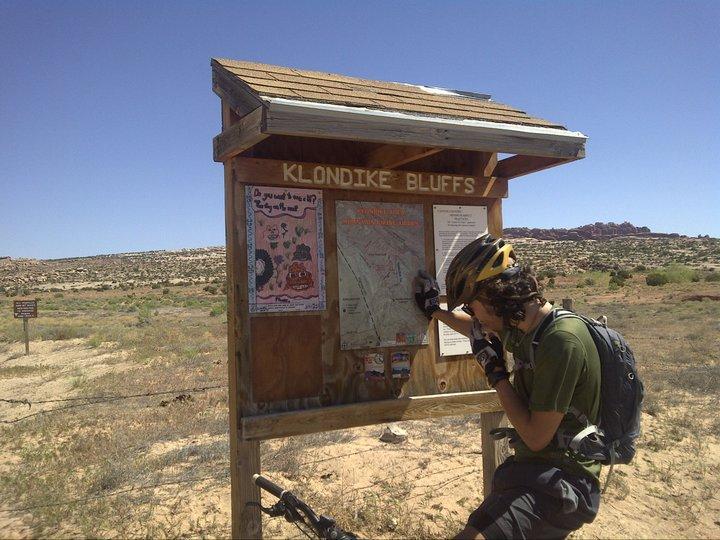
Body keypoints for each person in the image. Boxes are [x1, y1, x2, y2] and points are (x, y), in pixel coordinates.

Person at [414, 235, 601, 540]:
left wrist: (496, 374)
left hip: (565, 481)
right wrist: (435, 311)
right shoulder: (530, 329)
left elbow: (536, 436)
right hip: (535, 470)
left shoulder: (560, 341)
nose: (474, 316)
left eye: (474, 307)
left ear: (494, 298)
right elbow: (476, 329)